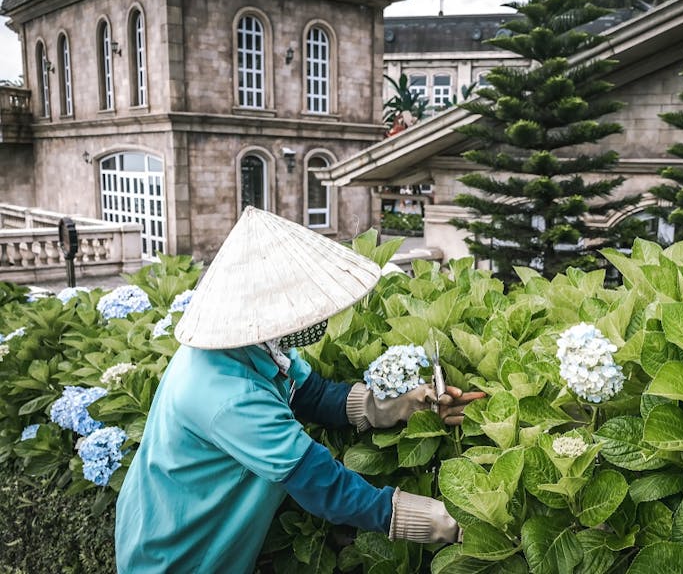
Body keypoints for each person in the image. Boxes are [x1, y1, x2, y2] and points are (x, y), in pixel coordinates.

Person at [114, 207, 483, 573]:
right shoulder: (228, 396)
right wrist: (448, 521)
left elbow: (313, 395)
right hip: (177, 555)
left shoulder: (254, 346)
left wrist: (406, 405)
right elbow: (322, 485)